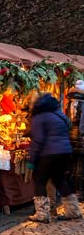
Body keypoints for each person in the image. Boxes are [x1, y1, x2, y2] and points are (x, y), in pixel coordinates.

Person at [27, 92, 81, 222]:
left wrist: (32, 159)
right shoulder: (59, 113)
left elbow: (37, 140)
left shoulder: (39, 117)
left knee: (39, 180)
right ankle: (73, 210)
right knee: (60, 180)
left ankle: (42, 214)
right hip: (65, 151)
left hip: (48, 154)